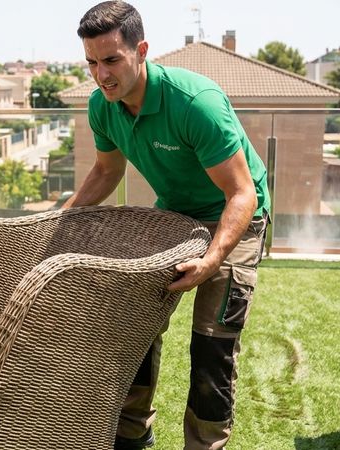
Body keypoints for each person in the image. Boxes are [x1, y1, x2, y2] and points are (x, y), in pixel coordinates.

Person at [65, 2, 271, 449]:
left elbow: (242, 194)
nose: (101, 75)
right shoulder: (104, 106)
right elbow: (106, 171)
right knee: (133, 328)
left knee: (211, 349)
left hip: (236, 216)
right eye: (92, 63)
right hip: (174, 216)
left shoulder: (196, 104)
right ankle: (131, 437)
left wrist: (211, 260)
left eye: (112, 60)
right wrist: (58, 223)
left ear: (141, 50)